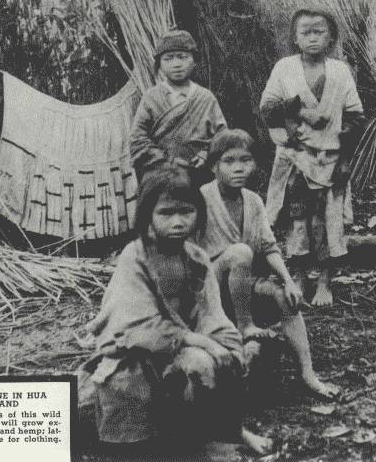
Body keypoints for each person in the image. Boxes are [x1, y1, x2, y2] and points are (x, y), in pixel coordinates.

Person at [81, 164, 272, 455]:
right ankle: (197, 441)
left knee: (223, 358)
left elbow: (212, 314)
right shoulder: (135, 257)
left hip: (182, 345)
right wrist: (202, 343)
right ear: (148, 215)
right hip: (135, 352)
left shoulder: (196, 257)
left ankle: (231, 431)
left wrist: (228, 347)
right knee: (196, 364)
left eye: (186, 212)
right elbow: (138, 325)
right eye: (166, 213)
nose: (178, 222)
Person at [198, 129, 340, 399]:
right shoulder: (201, 198)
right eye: (229, 161)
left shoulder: (253, 201)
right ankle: (245, 326)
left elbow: (268, 246)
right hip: (210, 286)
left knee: (285, 297)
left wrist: (288, 281)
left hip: (243, 284)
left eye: (245, 160)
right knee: (240, 252)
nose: (238, 168)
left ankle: (308, 373)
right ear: (214, 166)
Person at [260, 7, 365, 307]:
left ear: (331, 37)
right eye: (305, 32)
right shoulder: (284, 68)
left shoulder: (340, 71)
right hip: (296, 156)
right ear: (295, 38)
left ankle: (324, 281)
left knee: (327, 220)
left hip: (330, 158)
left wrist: (344, 159)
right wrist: (299, 110)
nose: (313, 38)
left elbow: (356, 116)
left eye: (319, 31)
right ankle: (298, 276)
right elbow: (267, 110)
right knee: (297, 218)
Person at [130, 29, 227, 181]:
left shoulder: (205, 97)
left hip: (201, 174)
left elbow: (223, 136)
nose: (176, 64)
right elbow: (137, 138)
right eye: (168, 59)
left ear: (194, 61)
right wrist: (165, 160)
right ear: (159, 64)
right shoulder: (151, 98)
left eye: (183, 57)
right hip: (162, 175)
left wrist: (206, 153)